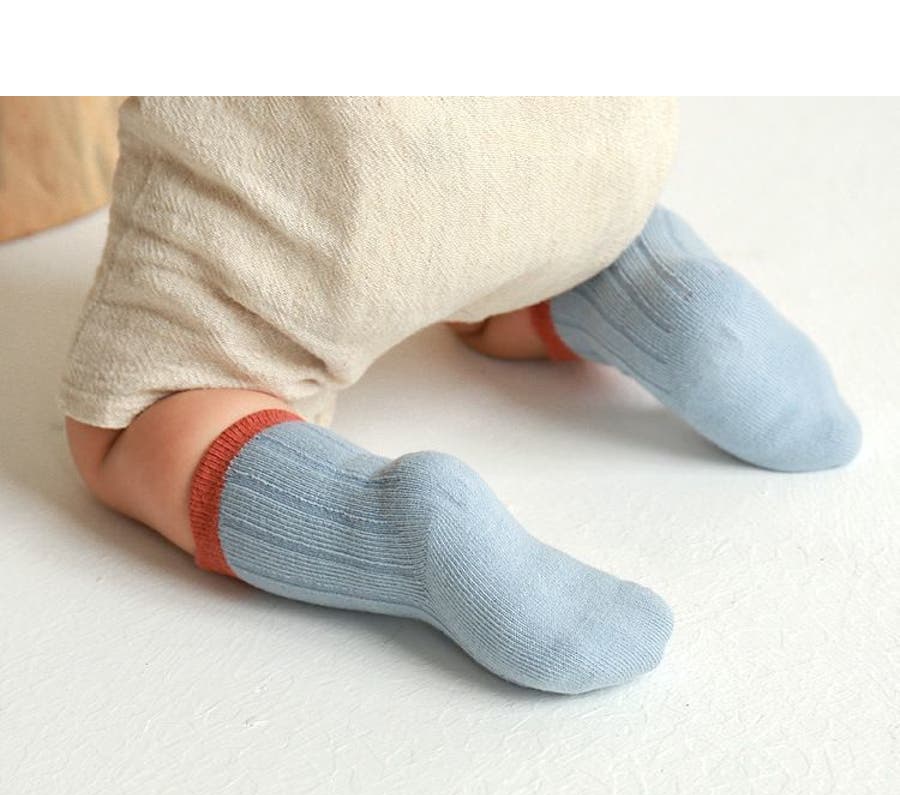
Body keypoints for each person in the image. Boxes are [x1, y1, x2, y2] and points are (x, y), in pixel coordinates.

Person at [60, 96, 860, 695]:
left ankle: (398, 520)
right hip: (580, 147)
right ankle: (649, 287)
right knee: (552, 207)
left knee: (137, 426)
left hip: (331, 174)